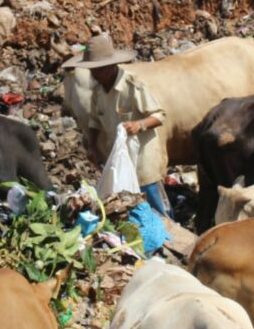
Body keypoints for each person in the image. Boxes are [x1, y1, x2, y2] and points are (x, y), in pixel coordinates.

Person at [62, 34, 174, 217]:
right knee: (127, 210)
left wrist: (139, 125)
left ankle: (171, 240)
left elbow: (159, 115)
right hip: (120, 161)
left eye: (97, 70)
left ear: (109, 67)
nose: (94, 74)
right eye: (92, 70)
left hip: (143, 161)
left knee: (158, 211)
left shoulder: (132, 85)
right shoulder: (98, 91)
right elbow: (95, 121)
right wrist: (91, 146)